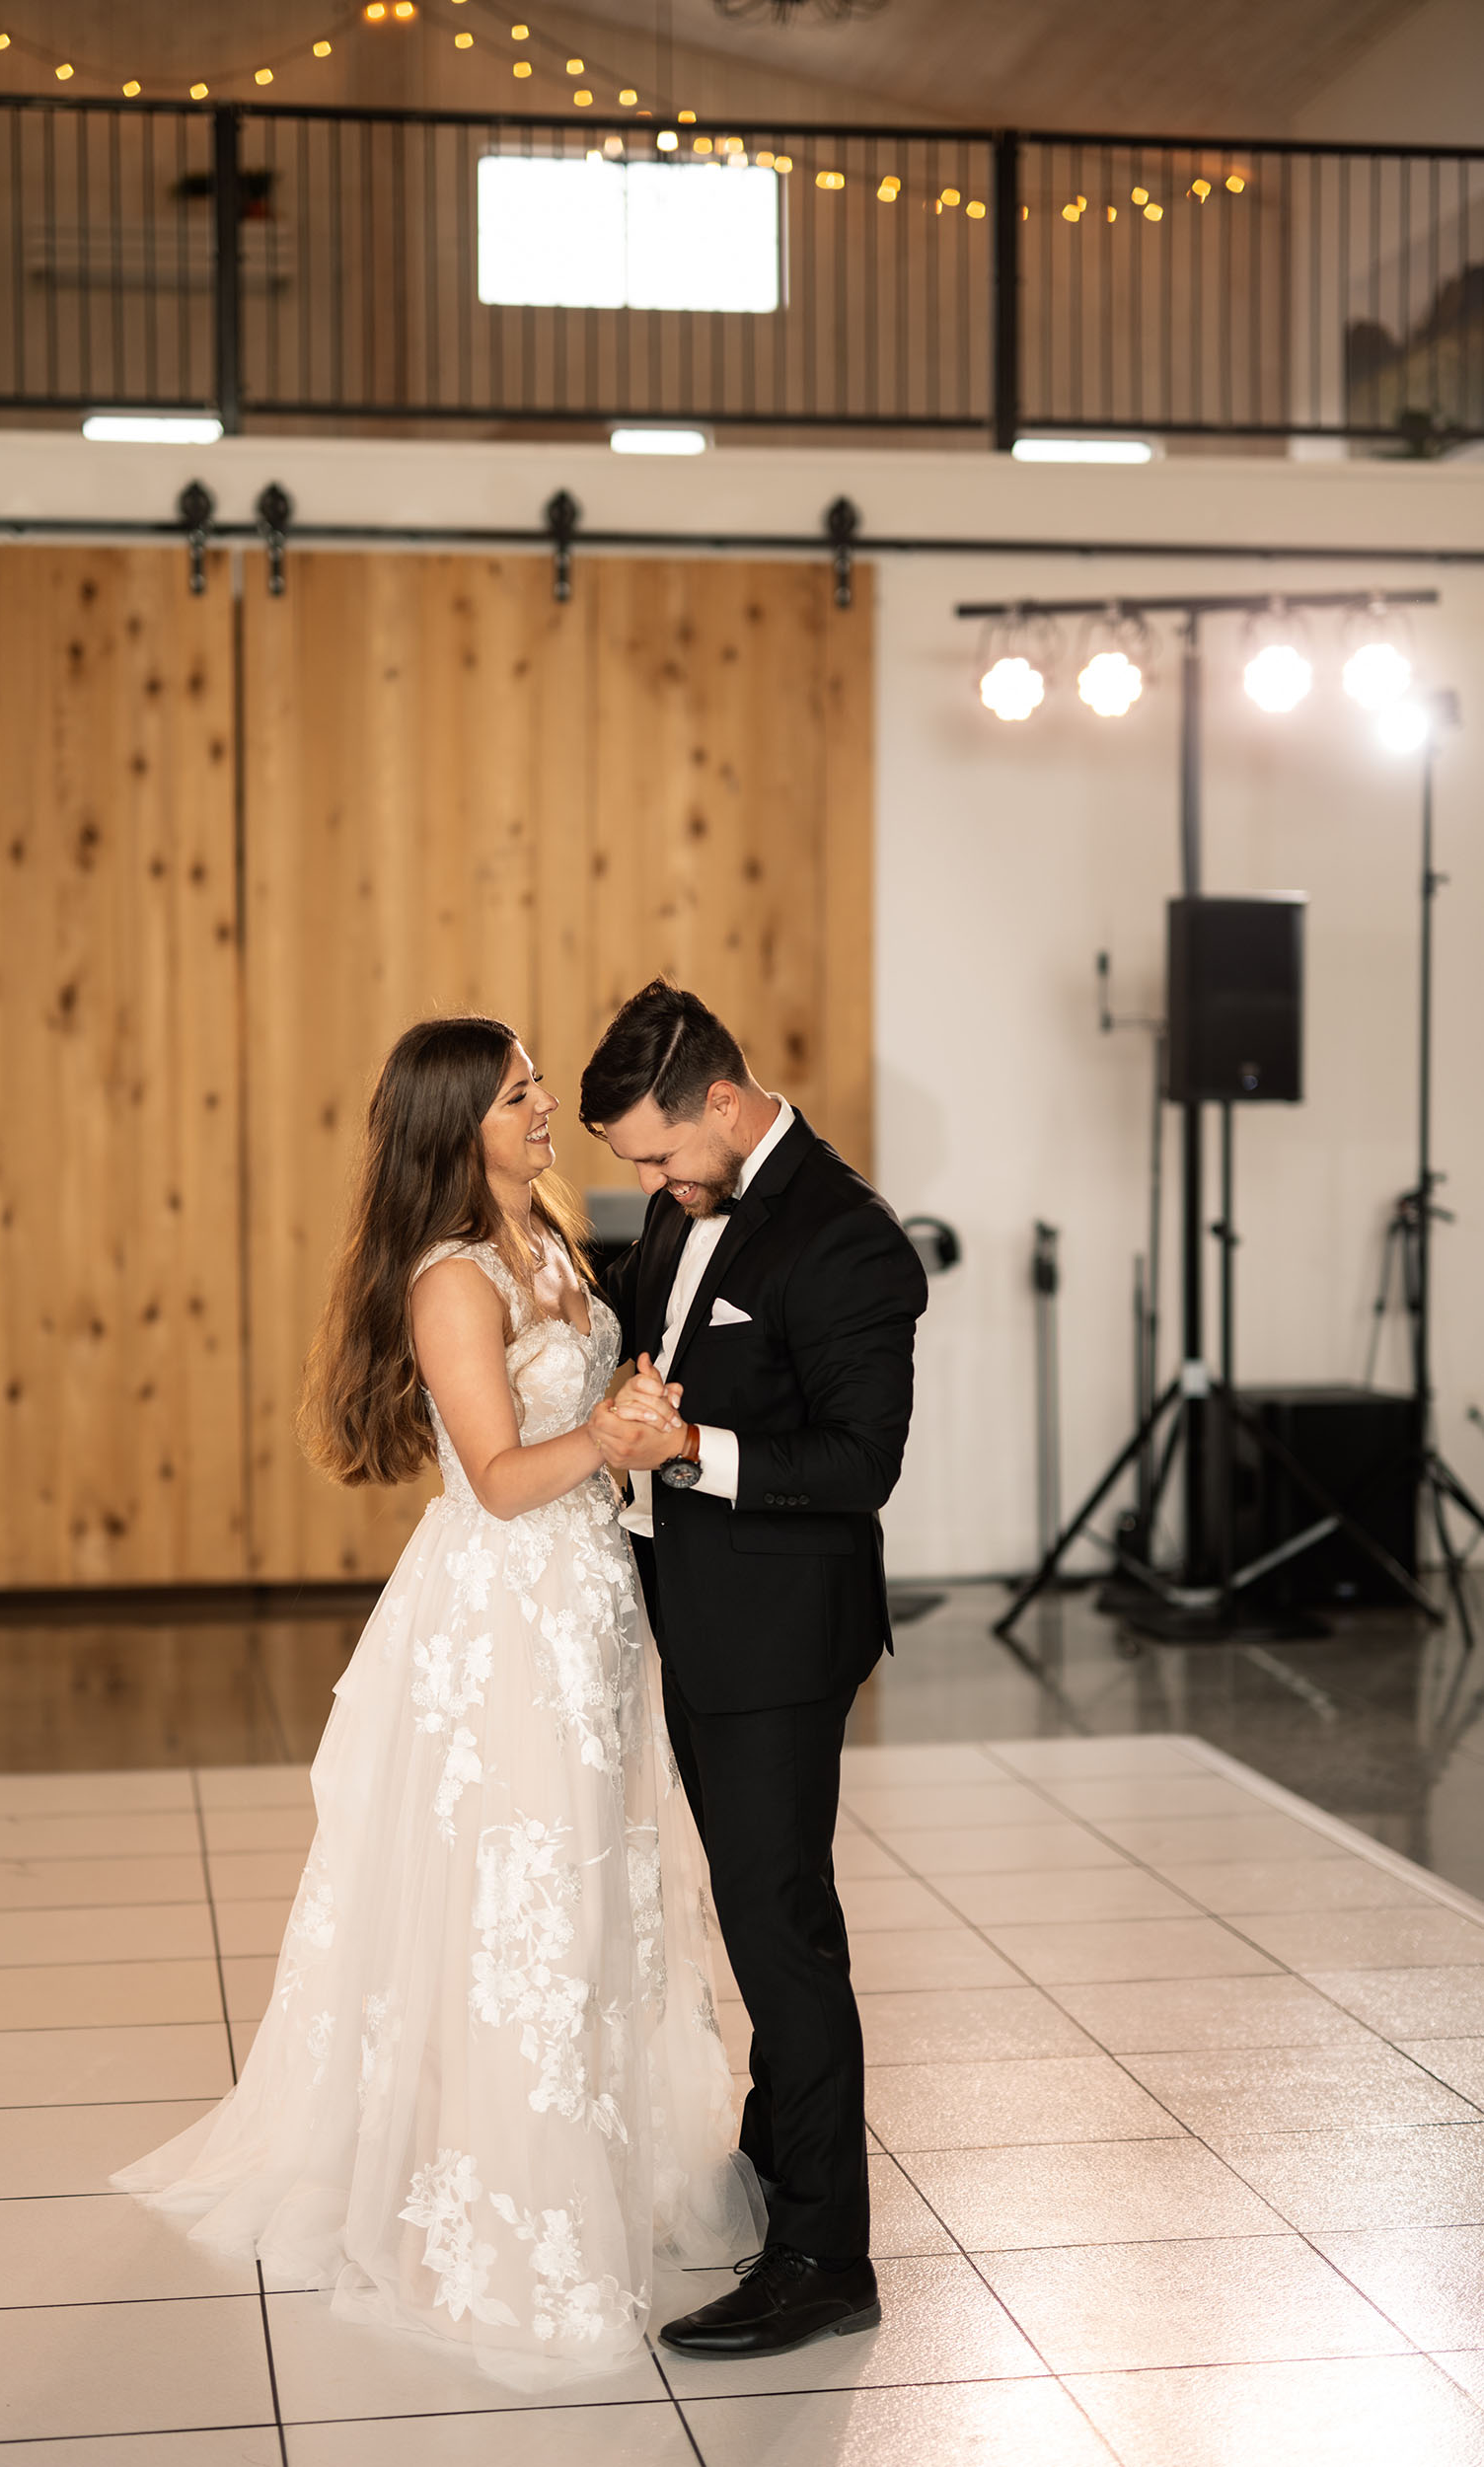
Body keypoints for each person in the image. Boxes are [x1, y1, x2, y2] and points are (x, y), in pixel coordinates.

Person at [113, 1015, 761, 2383]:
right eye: (521, 1093)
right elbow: (499, 1472)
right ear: (458, 1120)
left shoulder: (561, 1250)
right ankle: (477, 2211)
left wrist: (626, 1426)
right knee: (511, 1910)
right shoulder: (453, 1281)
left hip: (588, 1607)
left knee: (594, 1897)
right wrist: (615, 1434)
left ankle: (597, 2166)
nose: (544, 1110)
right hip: (505, 1621)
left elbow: (581, 1452)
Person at [578, 979, 928, 2358]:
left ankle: (827, 2257)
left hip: (781, 1631)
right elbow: (645, 1332)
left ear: (723, 1103)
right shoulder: (690, 1200)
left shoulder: (849, 1242)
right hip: (707, 1618)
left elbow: (860, 1468)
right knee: (762, 1913)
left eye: (659, 1157)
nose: (652, 1187)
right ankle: (780, 2170)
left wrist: (687, 1455)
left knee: (781, 1930)